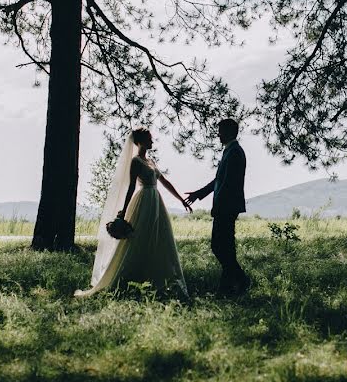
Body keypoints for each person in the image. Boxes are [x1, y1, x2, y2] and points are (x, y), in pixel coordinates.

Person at [75, 128, 191, 298]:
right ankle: (131, 279)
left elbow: (164, 181)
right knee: (139, 237)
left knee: (159, 237)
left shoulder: (151, 161)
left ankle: (159, 280)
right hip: (144, 200)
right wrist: (123, 211)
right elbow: (130, 187)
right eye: (149, 139)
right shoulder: (136, 161)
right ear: (141, 141)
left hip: (156, 201)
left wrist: (181, 199)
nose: (152, 142)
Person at [185, 118, 251, 295]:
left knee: (220, 246)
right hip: (226, 206)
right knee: (224, 247)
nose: (218, 134)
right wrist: (199, 194)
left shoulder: (235, 152)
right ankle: (229, 286)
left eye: (220, 131)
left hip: (227, 207)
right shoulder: (230, 151)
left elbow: (228, 184)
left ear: (230, 132)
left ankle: (239, 281)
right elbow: (218, 180)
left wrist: (218, 206)